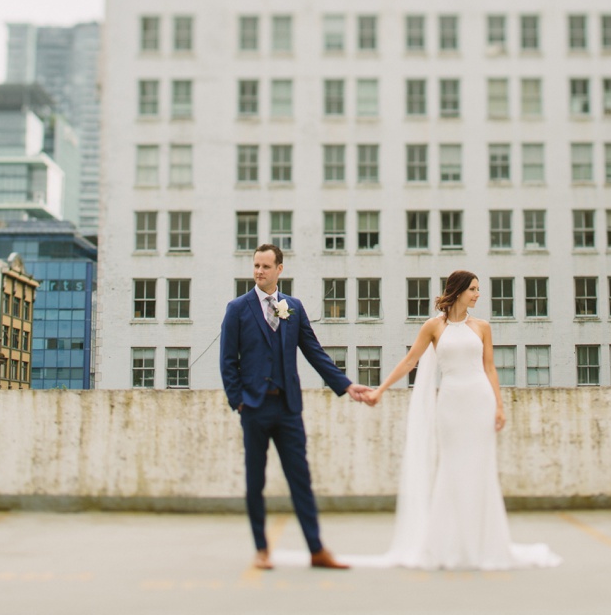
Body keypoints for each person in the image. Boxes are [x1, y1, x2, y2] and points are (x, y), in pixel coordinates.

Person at [361, 270, 562, 570]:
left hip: (480, 401)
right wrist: (380, 390)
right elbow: (409, 361)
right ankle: (447, 546)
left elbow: (490, 368)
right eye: (473, 289)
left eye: (478, 289)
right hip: (451, 405)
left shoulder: (482, 327)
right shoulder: (433, 327)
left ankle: (484, 546)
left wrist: (499, 405)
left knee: (481, 471)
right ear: (457, 291)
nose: (478, 295)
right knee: (452, 469)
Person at [220, 243, 373, 571]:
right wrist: (240, 403)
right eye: (256, 265)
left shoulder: (294, 308)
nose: (259, 271)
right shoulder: (237, 308)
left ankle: (317, 550)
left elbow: (314, 352)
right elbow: (227, 362)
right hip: (255, 408)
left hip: (288, 407)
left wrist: (346, 384)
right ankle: (262, 549)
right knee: (255, 481)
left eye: (265, 266)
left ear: (279, 269)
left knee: (300, 479)